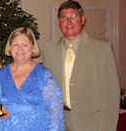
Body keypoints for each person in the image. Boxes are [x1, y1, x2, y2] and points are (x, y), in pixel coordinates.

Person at [42, 0, 120, 131]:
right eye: (64, 18)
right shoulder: (49, 49)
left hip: (91, 123)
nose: (69, 22)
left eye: (74, 17)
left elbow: (111, 96)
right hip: (59, 122)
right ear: (59, 22)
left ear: (83, 20)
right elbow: (47, 88)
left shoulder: (102, 49)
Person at [0, 27, 64, 131]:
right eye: (15, 45)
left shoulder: (44, 75)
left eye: (25, 45)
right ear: (10, 47)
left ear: (33, 48)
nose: (20, 49)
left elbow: (56, 113)